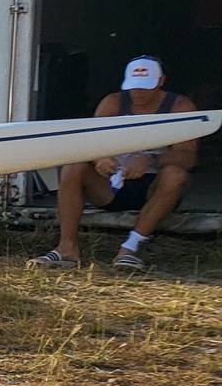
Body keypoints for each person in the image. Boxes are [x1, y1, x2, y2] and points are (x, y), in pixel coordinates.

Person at [28, 55, 198, 272]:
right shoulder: (113, 103)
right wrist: (100, 159)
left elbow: (188, 157)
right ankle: (66, 248)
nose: (138, 93)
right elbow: (91, 142)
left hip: (155, 187)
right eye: (133, 87)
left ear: (161, 81)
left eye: (145, 88)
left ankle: (130, 248)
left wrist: (152, 159)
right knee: (73, 167)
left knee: (176, 175)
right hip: (113, 183)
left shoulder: (180, 106)